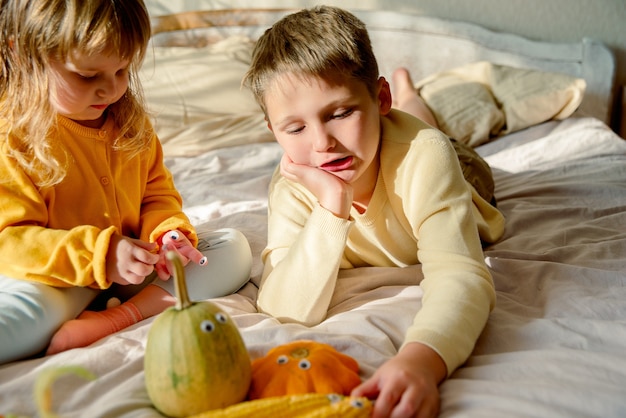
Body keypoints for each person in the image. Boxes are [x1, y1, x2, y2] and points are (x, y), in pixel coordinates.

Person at [242, 6, 504, 418]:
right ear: (272, 130)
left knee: (434, 135)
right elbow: (283, 307)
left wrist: (421, 360)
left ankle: (410, 96)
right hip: (387, 139)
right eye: (295, 129)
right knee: (405, 129)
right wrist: (332, 206)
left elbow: (462, 274)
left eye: (341, 113)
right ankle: (409, 100)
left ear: (379, 98)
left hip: (458, 168)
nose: (322, 143)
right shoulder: (293, 183)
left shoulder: (425, 156)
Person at [0, 0, 252, 365]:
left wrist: (167, 233)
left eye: (122, 70)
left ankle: (113, 320)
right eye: (88, 76)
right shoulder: (12, 137)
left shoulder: (129, 123)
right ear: (22, 55)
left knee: (234, 249)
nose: (111, 90)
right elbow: (9, 240)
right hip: (56, 281)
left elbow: (156, 193)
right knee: (19, 322)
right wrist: (101, 254)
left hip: (137, 267)